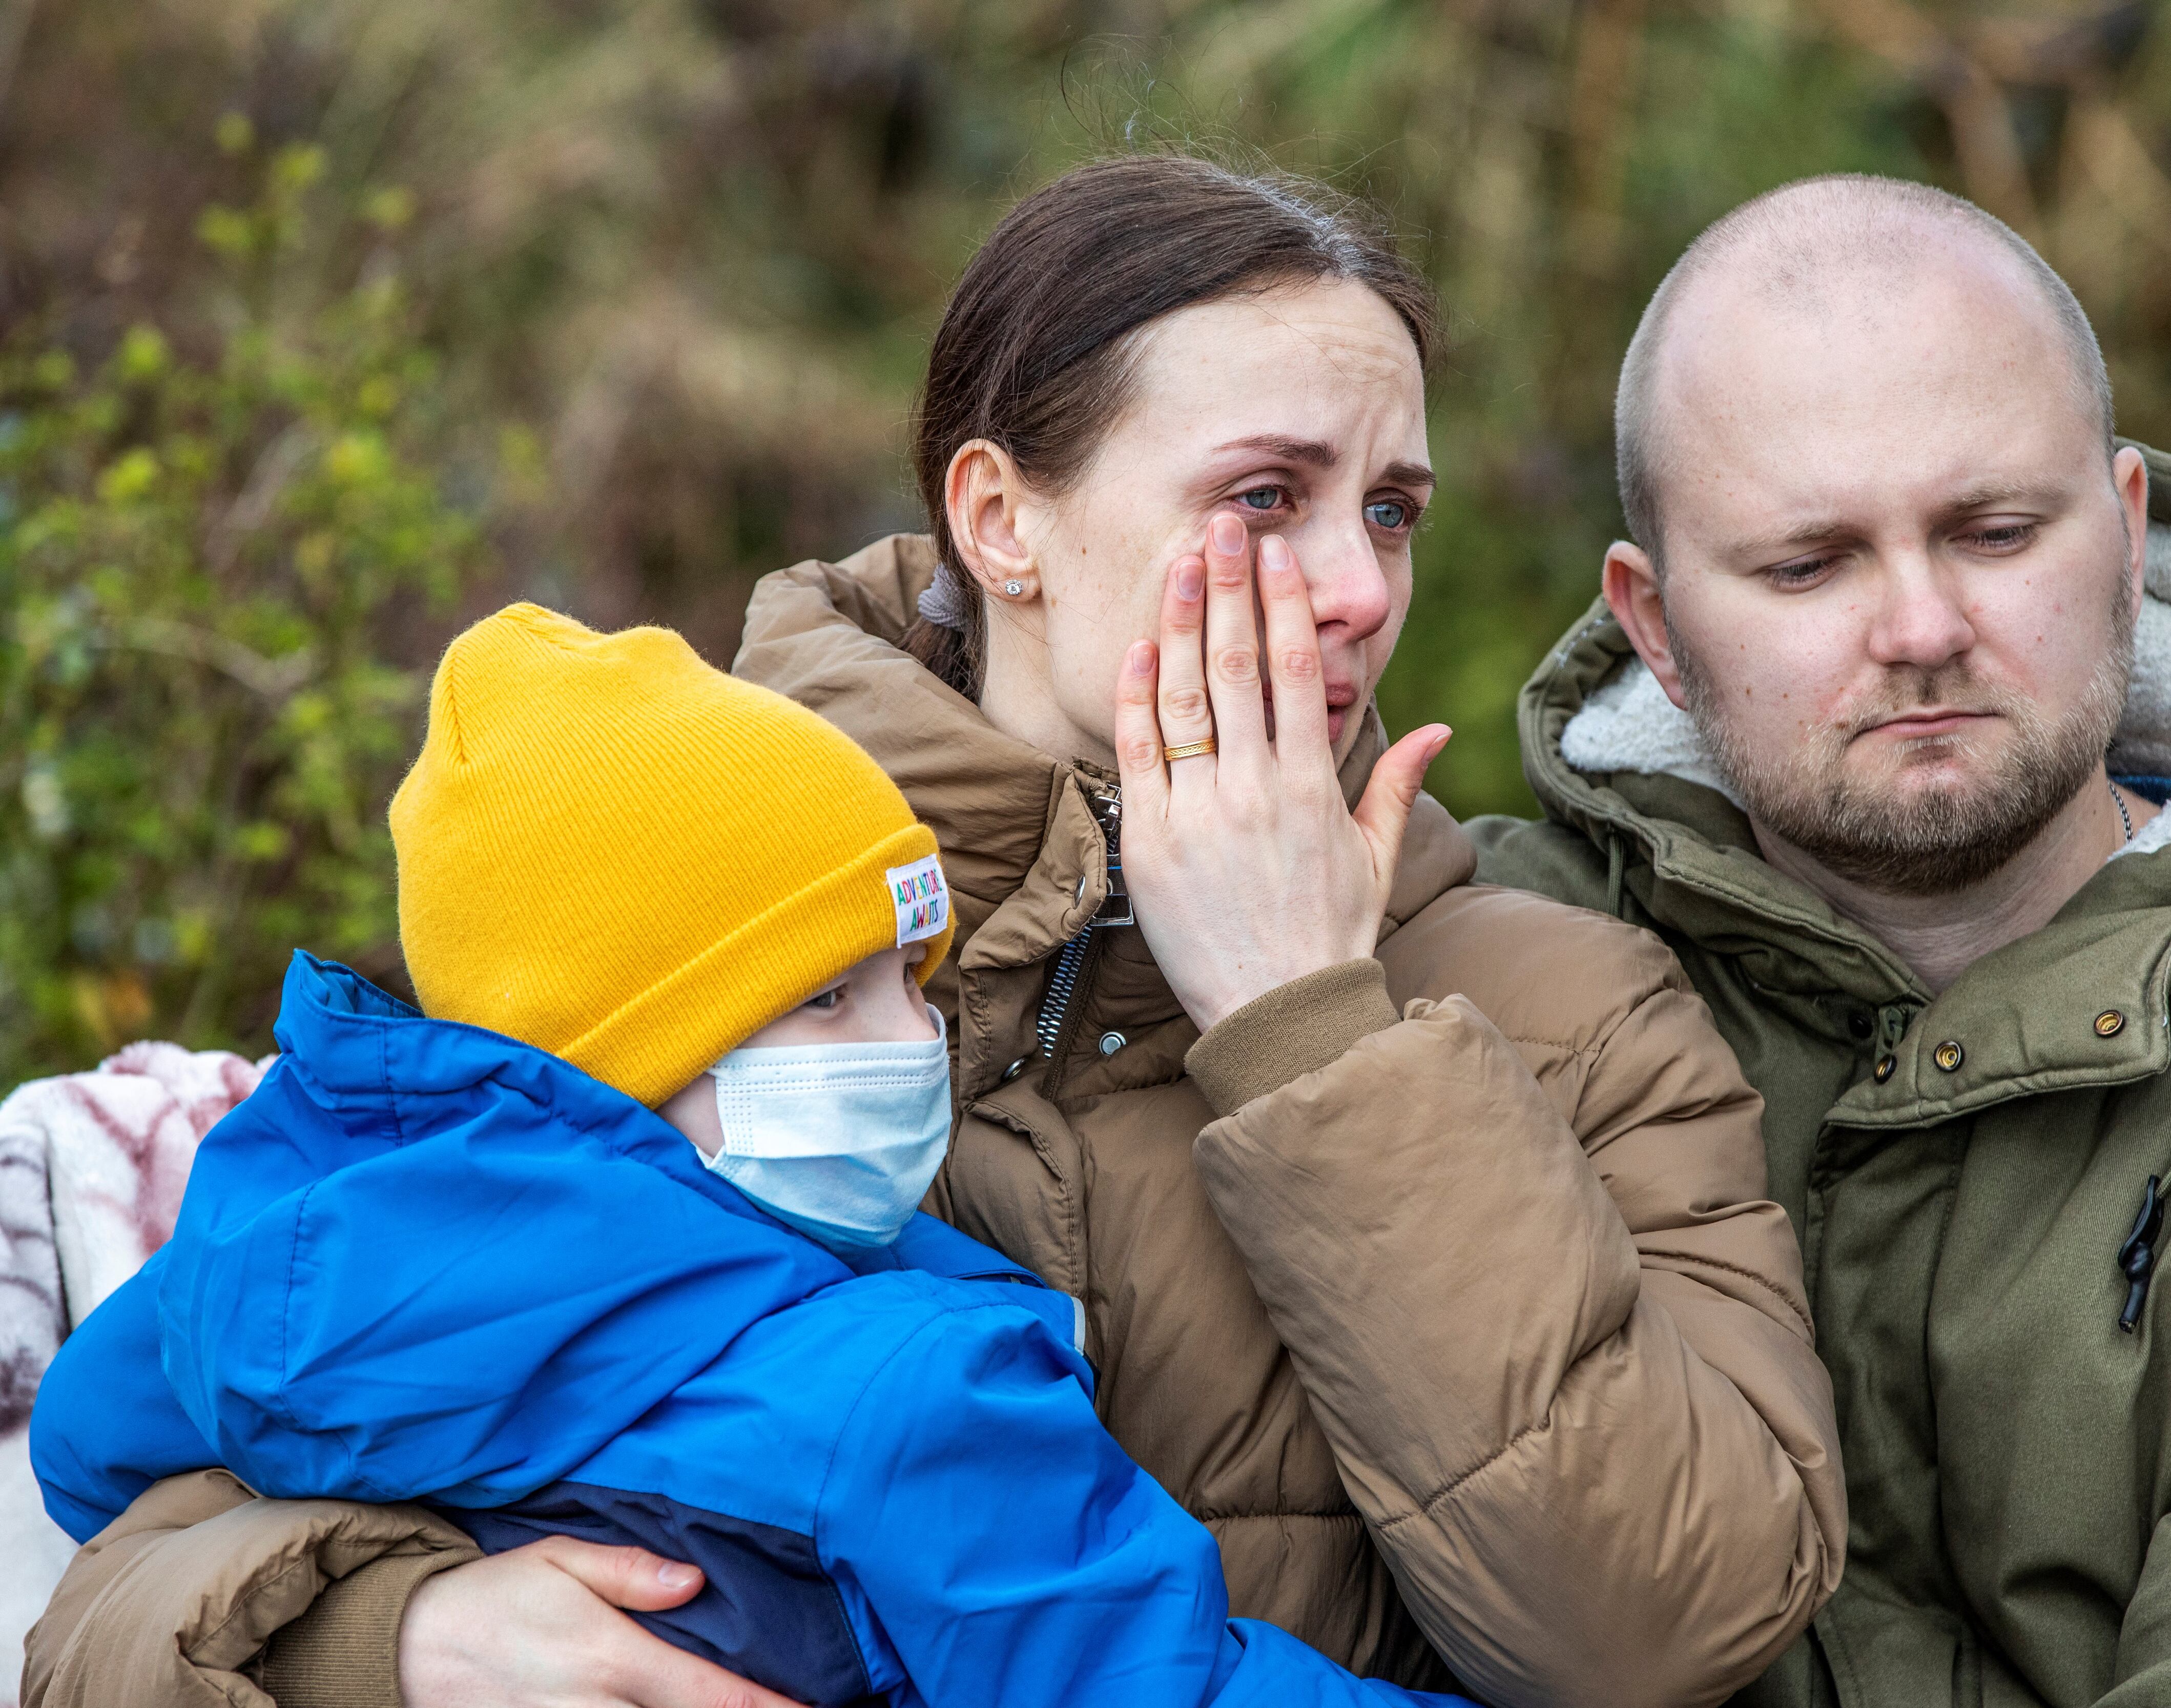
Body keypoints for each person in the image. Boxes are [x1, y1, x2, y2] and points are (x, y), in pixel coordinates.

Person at [26, 157, 1845, 1708]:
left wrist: (1315, 1030)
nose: (1362, 588)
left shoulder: (1568, 999)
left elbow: (1665, 1636)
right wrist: (394, 1636)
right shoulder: (680, 877)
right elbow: (123, 1567)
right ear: (1002, 520)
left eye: (1392, 511)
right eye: (1266, 497)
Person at [1470, 173, 2171, 1704]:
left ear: (2123, 532)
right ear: (1653, 623)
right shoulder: (1472, 979)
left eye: (1991, 531)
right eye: (1809, 564)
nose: (1920, 628)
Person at [33, 601, 1479, 1708]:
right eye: (828, 999)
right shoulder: (910, 1389)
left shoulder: (259, 1269)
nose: (915, 1040)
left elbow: (90, 1445)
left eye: (911, 979)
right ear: (631, 1059)